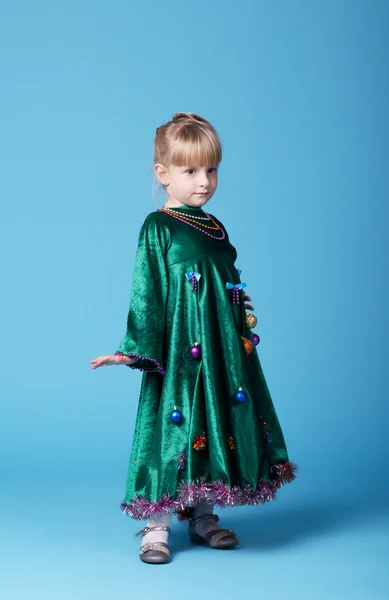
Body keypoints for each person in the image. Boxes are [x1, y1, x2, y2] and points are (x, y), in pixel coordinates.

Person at [90, 112, 297, 564]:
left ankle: (203, 514)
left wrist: (237, 339)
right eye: (190, 171)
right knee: (174, 429)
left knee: (213, 425)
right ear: (163, 174)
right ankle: (156, 526)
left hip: (220, 352)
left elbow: (229, 291)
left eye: (211, 169)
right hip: (180, 356)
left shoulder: (216, 228)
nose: (203, 181)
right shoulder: (158, 227)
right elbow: (147, 292)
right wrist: (134, 350)